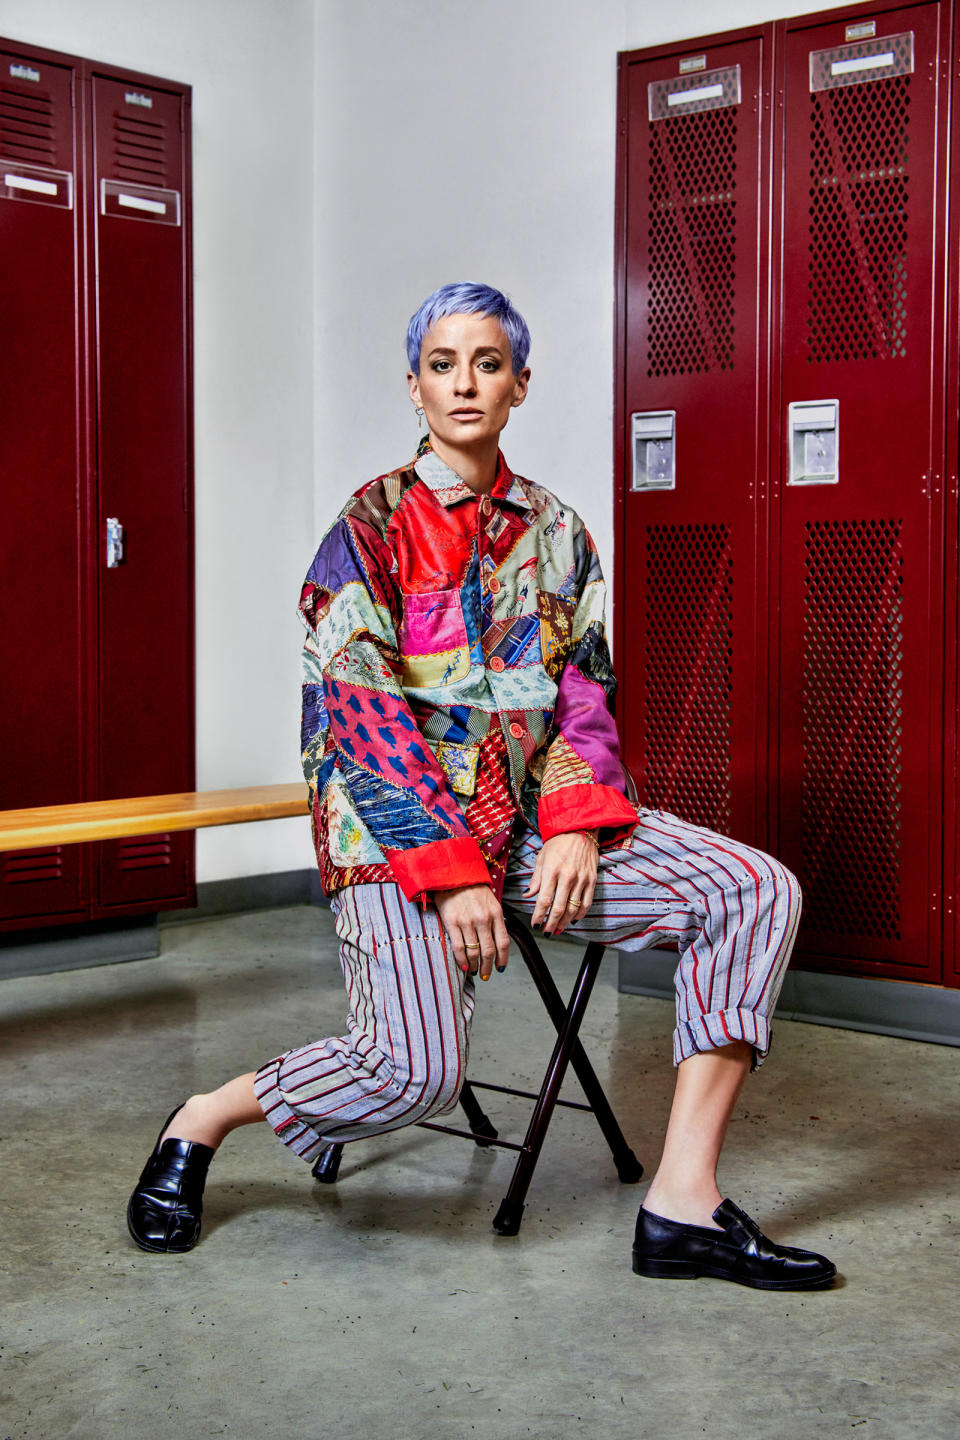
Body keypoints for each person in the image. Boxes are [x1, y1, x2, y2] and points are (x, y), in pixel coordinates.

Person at [127, 283, 836, 1290]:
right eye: (444, 364)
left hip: (535, 832)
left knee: (755, 890)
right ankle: (203, 1119)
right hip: (399, 846)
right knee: (413, 1072)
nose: (466, 382)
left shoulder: (561, 533)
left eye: (489, 363)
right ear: (413, 386)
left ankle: (683, 1205)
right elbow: (361, 723)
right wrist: (454, 875)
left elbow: (583, 697)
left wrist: (577, 823)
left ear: (521, 385)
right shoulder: (369, 527)